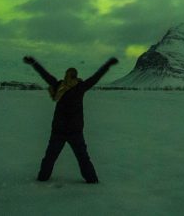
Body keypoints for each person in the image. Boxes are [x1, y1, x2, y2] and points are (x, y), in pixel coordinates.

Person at [23, 54, 118, 183]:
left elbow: (95, 78)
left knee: (72, 158)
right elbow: (45, 74)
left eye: (72, 74)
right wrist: (34, 63)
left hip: (70, 131)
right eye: (70, 74)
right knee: (59, 158)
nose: (71, 77)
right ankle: (43, 180)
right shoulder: (70, 86)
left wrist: (107, 65)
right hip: (64, 131)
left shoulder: (70, 86)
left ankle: (92, 182)